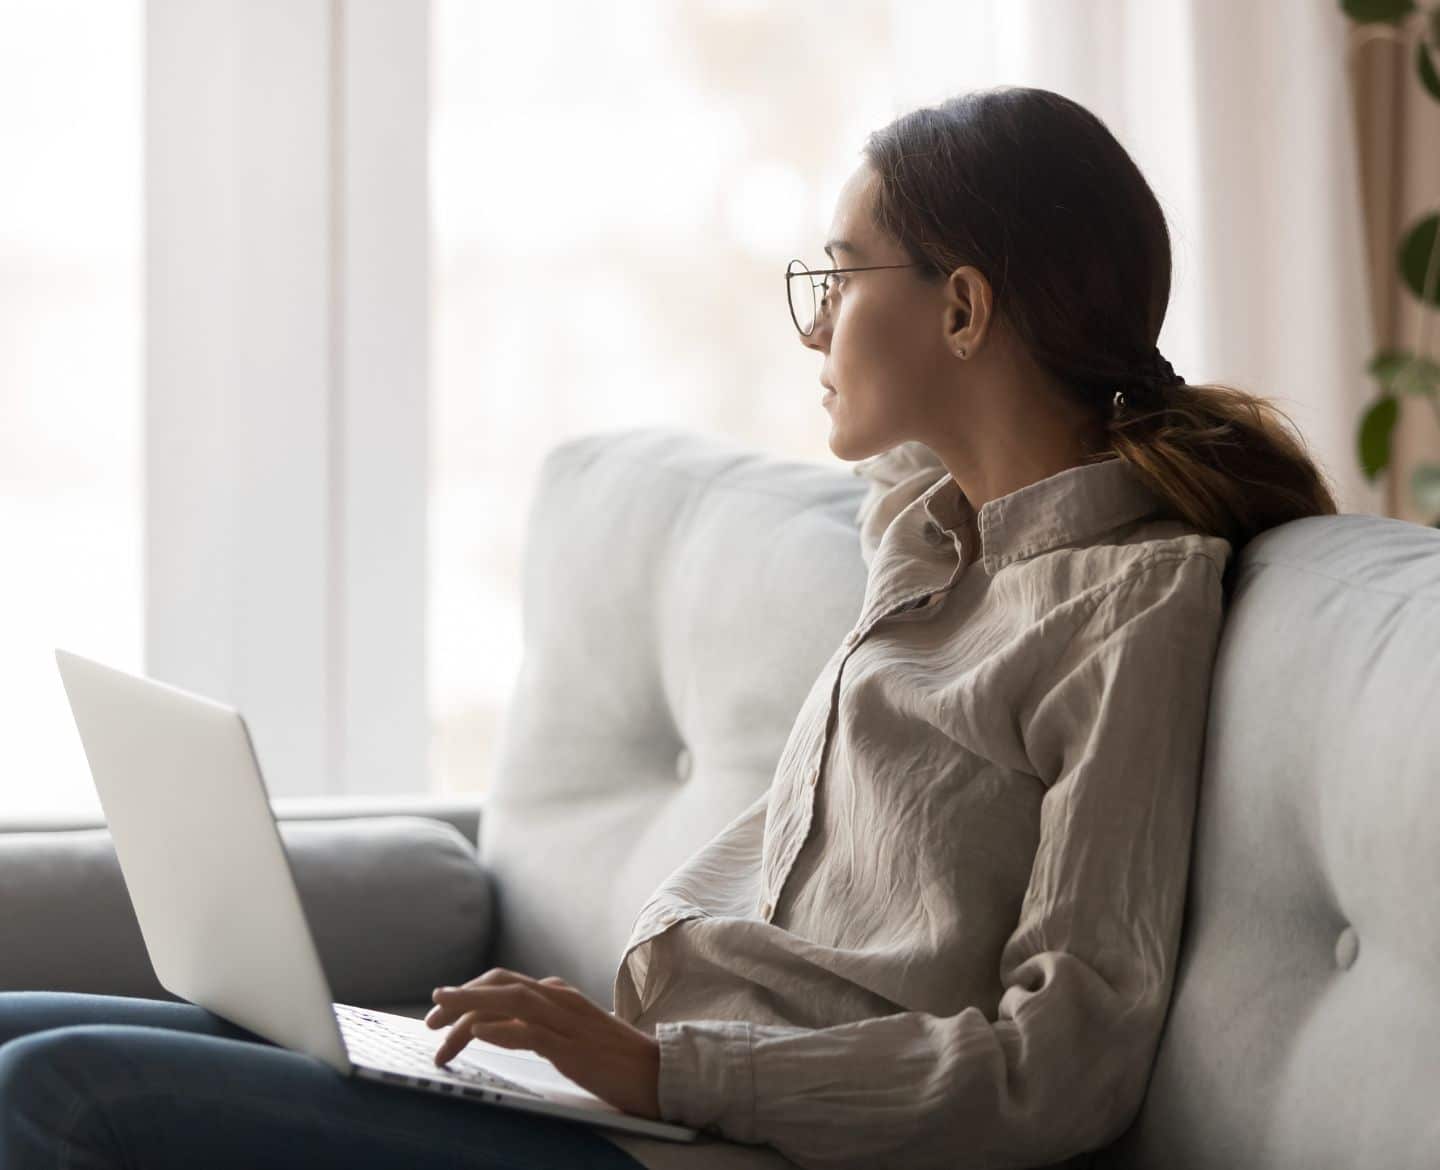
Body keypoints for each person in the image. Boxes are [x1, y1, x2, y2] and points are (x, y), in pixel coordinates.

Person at [0, 84, 1338, 1170]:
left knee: (58, 1091)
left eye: (836, 275)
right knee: (16, 1028)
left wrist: (657, 1068)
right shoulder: (930, 542)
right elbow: (964, 440)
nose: (813, 323)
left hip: (710, 1135)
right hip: (637, 1101)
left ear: (965, 307)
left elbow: (1066, 1067)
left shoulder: (1128, 609)